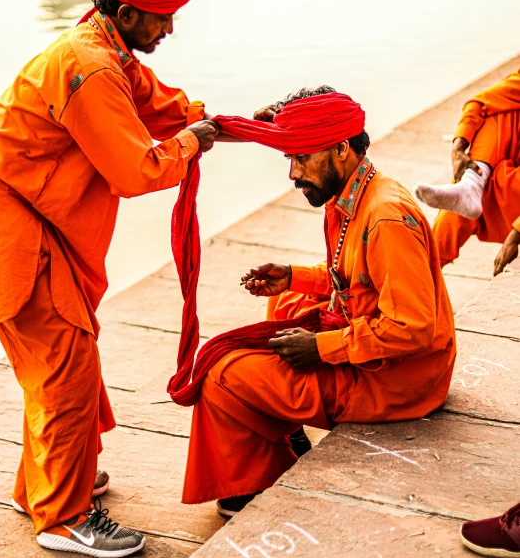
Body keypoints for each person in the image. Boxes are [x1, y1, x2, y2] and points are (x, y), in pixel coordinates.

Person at [0, 0, 227, 556]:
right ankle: (64, 519)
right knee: (64, 373)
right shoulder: (90, 67)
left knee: (57, 368)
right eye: (160, 19)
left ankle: (39, 486)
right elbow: (135, 170)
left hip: (31, 223)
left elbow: (161, 104)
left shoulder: (103, 47)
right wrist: (190, 143)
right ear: (126, 10)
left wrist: (228, 123)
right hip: (17, 233)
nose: (169, 30)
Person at [180, 86, 456, 517]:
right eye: (290, 158)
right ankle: (286, 427)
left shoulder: (384, 217)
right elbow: (355, 280)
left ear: (342, 148)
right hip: (380, 352)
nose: (293, 173)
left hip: (399, 383)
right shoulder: (351, 192)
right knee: (287, 299)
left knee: (221, 373)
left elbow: (414, 327)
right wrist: (292, 277)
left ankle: (253, 487)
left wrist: (323, 349)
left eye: (302, 157)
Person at [413, 70, 520, 275]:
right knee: (495, 114)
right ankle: (473, 182)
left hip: (512, 192)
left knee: (477, 195)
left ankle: (473, 184)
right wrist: (459, 146)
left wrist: (515, 234)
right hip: (503, 177)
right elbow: (478, 104)